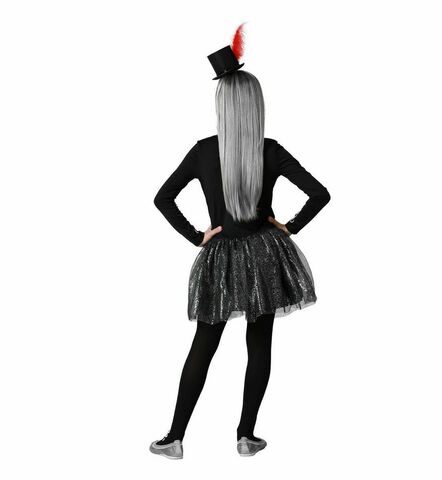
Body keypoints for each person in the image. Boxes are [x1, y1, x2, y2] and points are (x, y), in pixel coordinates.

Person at [149, 24, 331, 460]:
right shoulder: (270, 150)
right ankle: (246, 437)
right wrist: (289, 226)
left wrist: (198, 236)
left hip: (221, 258)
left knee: (204, 344)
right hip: (265, 255)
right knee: (259, 344)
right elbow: (320, 194)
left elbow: (162, 198)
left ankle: (174, 438)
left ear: (223, 106)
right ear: (254, 107)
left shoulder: (202, 151)